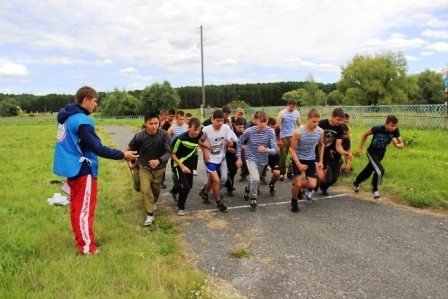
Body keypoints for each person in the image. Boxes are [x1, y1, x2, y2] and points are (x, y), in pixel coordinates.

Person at [53, 86, 138, 255]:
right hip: (83, 169)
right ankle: (87, 248)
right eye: (94, 101)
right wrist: (123, 155)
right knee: (84, 210)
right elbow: (97, 148)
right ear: (85, 100)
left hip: (71, 168)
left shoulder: (66, 117)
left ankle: (84, 240)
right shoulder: (82, 120)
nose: (95, 105)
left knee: (76, 208)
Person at [127, 112, 171, 226]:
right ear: (145, 124)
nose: (153, 126)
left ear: (159, 123)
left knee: (155, 188)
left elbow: (168, 151)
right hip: (144, 167)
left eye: (156, 123)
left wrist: (159, 160)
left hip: (159, 168)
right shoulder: (139, 136)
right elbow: (130, 150)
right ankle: (150, 215)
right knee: (144, 189)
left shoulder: (164, 135)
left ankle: (153, 202)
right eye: (150, 123)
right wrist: (132, 161)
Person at [353, 115, 404, 199]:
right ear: (386, 124)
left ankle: (356, 182)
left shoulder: (395, 131)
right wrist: (360, 148)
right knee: (380, 171)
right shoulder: (378, 128)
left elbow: (402, 145)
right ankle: (375, 189)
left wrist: (396, 145)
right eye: (392, 125)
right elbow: (365, 134)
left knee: (368, 170)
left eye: (395, 126)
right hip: (372, 152)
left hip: (381, 154)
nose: (393, 128)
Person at [236, 112, 277, 209]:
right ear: (256, 121)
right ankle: (253, 197)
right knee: (256, 179)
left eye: (265, 122)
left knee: (254, 178)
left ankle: (247, 189)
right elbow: (239, 142)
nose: (263, 124)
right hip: (251, 157)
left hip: (263, 159)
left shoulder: (271, 132)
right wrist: (238, 157)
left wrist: (266, 149)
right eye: (261, 122)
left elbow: (275, 150)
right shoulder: (249, 131)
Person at [289, 108, 324, 212]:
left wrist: (321, 161)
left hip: (311, 159)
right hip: (298, 159)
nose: (316, 124)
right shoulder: (298, 132)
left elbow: (321, 145)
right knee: (299, 183)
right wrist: (299, 164)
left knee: (312, 184)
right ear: (308, 119)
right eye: (314, 121)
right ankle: (294, 201)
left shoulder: (320, 132)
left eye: (318, 121)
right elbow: (291, 149)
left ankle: (296, 186)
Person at [313, 108, 353, 199]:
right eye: (338, 119)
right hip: (316, 149)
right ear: (332, 116)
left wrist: (345, 153)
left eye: (342, 120)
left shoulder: (340, 128)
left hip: (326, 151)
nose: (340, 122)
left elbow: (338, 146)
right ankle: (310, 186)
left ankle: (319, 185)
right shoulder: (322, 124)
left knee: (332, 178)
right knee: (319, 173)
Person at [199, 110, 233, 212]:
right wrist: (205, 150)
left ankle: (205, 194)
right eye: (217, 121)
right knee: (216, 180)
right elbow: (199, 141)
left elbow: (229, 143)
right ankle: (219, 203)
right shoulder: (206, 130)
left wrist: (230, 142)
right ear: (212, 120)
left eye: (221, 120)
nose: (220, 123)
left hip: (221, 157)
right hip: (210, 159)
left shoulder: (226, 128)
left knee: (216, 179)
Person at [170, 118, 203, 216]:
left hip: (189, 165)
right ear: (188, 128)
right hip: (177, 164)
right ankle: (180, 207)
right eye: (194, 130)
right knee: (186, 187)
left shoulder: (199, 134)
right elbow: (172, 153)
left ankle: (174, 190)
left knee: (189, 185)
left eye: (198, 130)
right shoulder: (180, 139)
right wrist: (182, 166)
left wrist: (205, 147)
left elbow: (200, 140)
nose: (197, 132)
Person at [319, 124, 352, 195]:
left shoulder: (347, 140)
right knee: (328, 179)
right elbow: (323, 145)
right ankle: (316, 185)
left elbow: (348, 152)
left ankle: (323, 187)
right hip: (328, 160)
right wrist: (328, 150)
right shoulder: (333, 138)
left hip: (337, 160)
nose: (345, 136)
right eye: (343, 134)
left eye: (347, 134)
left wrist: (348, 164)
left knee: (334, 179)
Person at [277, 99, 301, 181]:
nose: (293, 108)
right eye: (291, 106)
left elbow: (299, 124)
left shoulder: (297, 113)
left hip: (294, 136)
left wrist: (302, 133)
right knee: (283, 155)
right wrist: (278, 139)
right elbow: (277, 127)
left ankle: (290, 172)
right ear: (288, 105)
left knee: (293, 155)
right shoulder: (282, 113)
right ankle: (281, 172)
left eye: (294, 106)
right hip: (284, 136)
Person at [225, 118, 245, 196]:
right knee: (232, 171)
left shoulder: (244, 134)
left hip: (237, 155)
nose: (241, 129)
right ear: (235, 126)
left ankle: (228, 184)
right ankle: (229, 189)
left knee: (234, 172)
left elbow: (245, 143)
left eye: (243, 127)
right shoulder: (230, 133)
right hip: (228, 155)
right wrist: (228, 148)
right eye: (239, 127)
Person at [264, 117, 282, 195]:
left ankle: (272, 184)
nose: (273, 129)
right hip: (263, 154)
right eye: (271, 127)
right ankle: (254, 186)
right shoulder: (261, 132)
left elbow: (278, 137)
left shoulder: (277, 130)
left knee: (277, 173)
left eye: (274, 127)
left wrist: (279, 142)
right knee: (257, 176)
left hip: (273, 155)